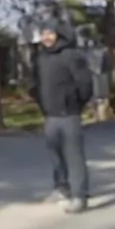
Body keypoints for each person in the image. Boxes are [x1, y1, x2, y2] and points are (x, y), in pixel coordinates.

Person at [31, 19, 95, 213]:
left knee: (74, 157)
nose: (46, 37)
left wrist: (75, 103)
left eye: (50, 33)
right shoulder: (41, 58)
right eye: (43, 34)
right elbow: (36, 84)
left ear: (59, 35)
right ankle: (61, 188)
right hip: (50, 115)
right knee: (55, 155)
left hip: (70, 114)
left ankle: (79, 196)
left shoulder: (72, 56)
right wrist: (42, 104)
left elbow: (85, 84)